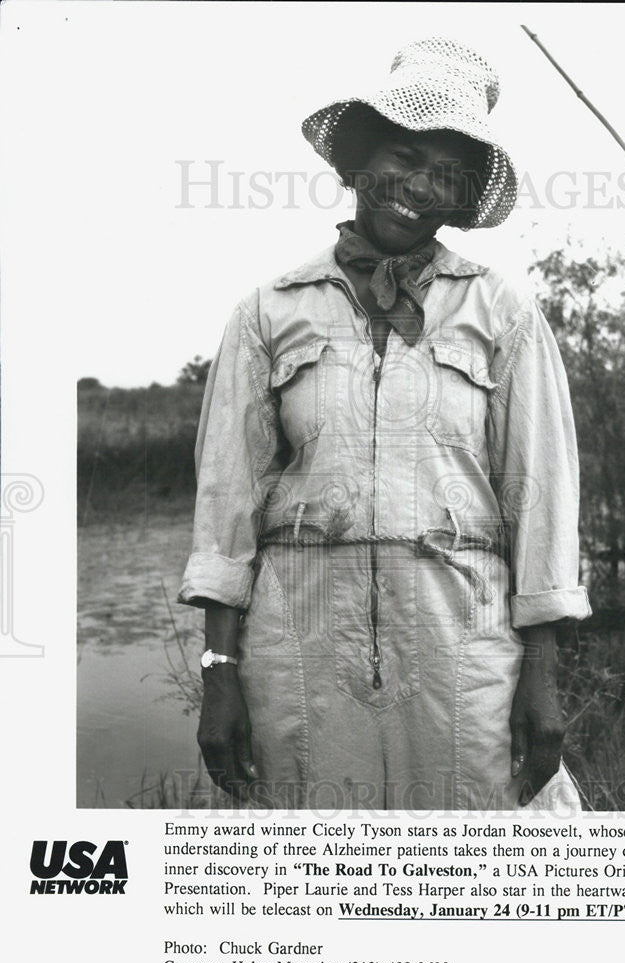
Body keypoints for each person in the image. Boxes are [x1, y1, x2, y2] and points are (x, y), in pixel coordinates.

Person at [178, 37, 591, 811]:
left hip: (461, 646)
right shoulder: (269, 311)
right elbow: (224, 510)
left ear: (463, 199)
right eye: (403, 156)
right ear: (362, 160)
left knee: (484, 863)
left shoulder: (503, 313)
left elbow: (541, 500)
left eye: (448, 174)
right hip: (297, 647)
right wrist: (218, 674)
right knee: (320, 867)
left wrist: (541, 679)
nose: (419, 187)